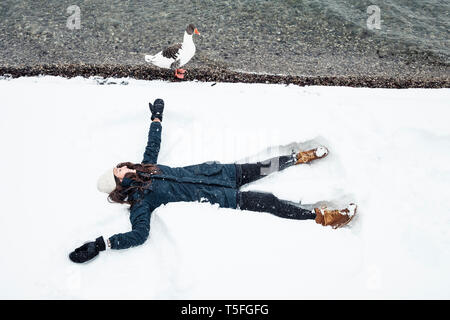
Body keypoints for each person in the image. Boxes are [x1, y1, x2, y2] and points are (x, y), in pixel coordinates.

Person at [69, 99, 356, 263]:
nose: (119, 166)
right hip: (220, 198)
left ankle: (299, 158)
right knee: (270, 203)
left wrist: (156, 117)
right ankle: (324, 216)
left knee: (265, 167)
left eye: (117, 166)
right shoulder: (141, 202)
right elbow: (140, 235)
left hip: (220, 173)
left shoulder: (146, 167)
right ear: (118, 184)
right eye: (116, 171)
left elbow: (152, 143)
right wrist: (102, 244)